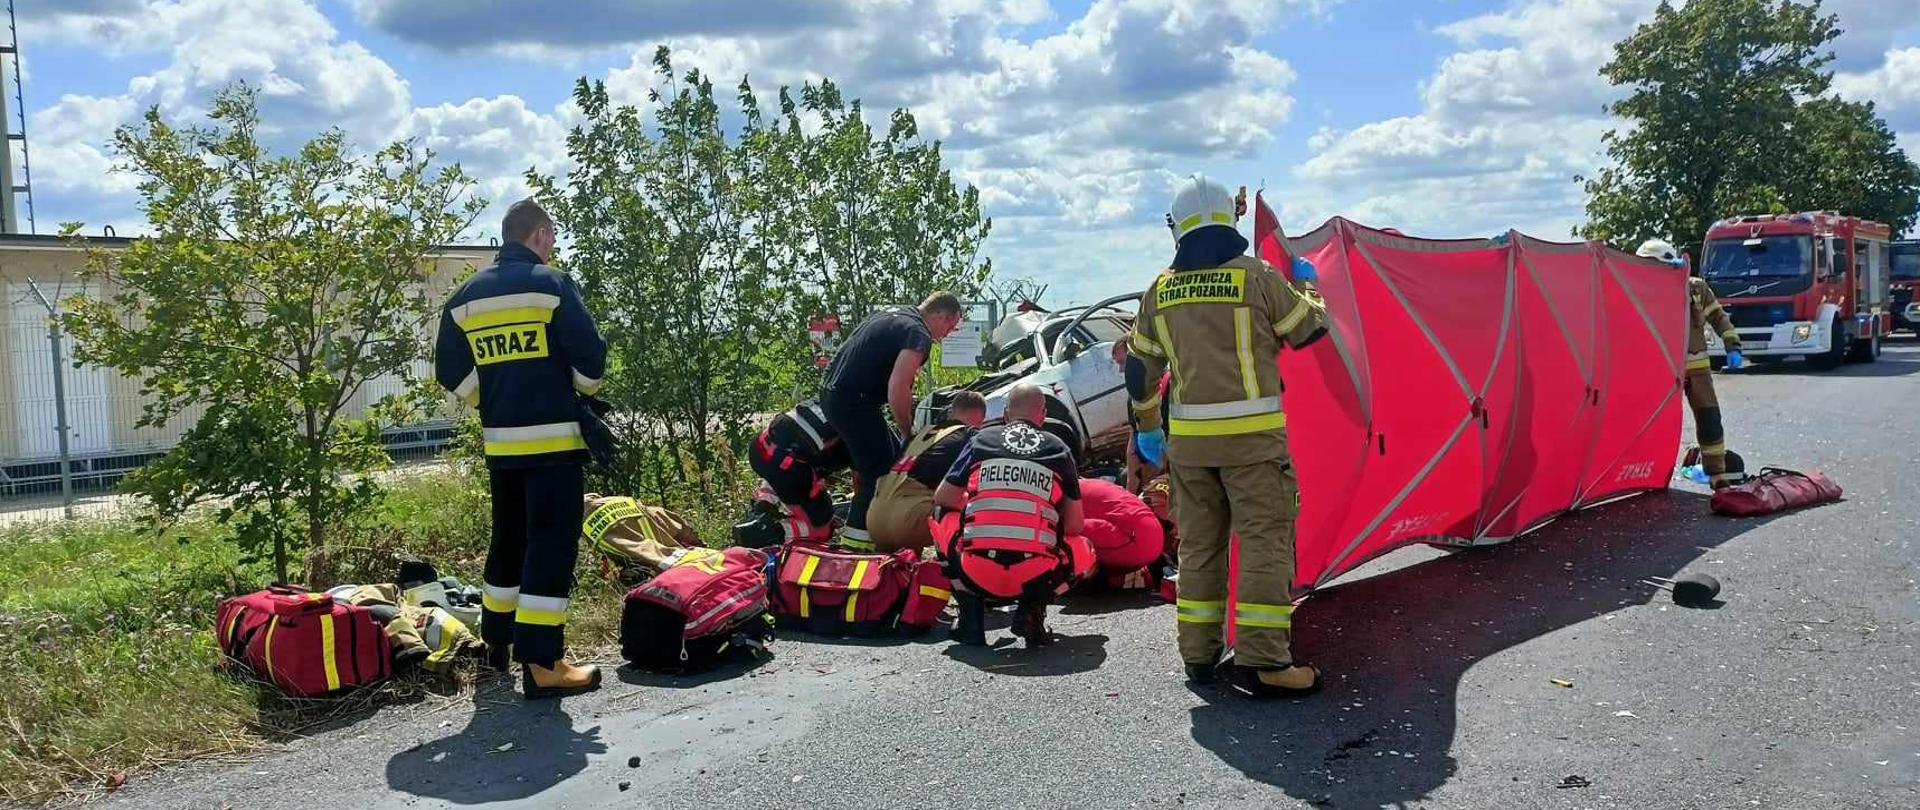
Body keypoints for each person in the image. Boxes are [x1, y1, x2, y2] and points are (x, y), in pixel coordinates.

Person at [1127, 174, 1328, 698]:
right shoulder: (1257, 277)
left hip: (1190, 449)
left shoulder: (1160, 289)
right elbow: (1307, 329)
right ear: (1227, 218)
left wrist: (1149, 430)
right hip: (1254, 446)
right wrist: (1308, 281)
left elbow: (1138, 372)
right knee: (1263, 543)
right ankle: (1264, 662)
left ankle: (1198, 656)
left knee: (1199, 549)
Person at [435, 199, 607, 699]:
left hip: (502, 446)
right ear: (539, 235)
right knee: (551, 544)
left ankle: (497, 643)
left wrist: (490, 399)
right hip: (554, 443)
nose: (552, 247)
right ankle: (543, 662)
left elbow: (448, 367)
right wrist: (575, 388)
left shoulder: (466, 296)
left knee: (508, 539)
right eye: (551, 238)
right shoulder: (552, 285)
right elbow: (591, 359)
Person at [932, 383, 1091, 647]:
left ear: (1006, 414)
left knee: (939, 514)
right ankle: (1032, 609)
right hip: (1036, 575)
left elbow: (943, 497)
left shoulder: (980, 440)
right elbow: (1074, 525)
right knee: (1085, 548)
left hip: (976, 570)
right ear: (1042, 414)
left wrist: (981, 508)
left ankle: (971, 619)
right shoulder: (1058, 449)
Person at [822, 293, 966, 551]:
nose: (947, 334)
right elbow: (898, 387)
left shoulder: (894, 313)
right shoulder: (917, 333)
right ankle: (857, 548)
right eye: (950, 326)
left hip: (835, 395)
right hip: (855, 403)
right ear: (941, 315)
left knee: (893, 462)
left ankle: (876, 536)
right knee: (878, 474)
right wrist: (907, 429)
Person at [1638, 238, 1744, 489]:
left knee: (1709, 418)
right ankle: (1648, 473)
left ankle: (1717, 475)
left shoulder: (1694, 288)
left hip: (1695, 368)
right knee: (1656, 423)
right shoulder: (1638, 291)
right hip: (1660, 371)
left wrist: (1733, 346)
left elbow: (1719, 317)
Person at [867, 391, 988, 553]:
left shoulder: (924, 434)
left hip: (875, 519)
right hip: (910, 523)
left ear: (951, 412)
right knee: (973, 502)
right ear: (982, 420)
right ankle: (960, 569)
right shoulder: (970, 437)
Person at [740, 400, 851, 547]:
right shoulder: (861, 432)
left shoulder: (835, 394)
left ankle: (761, 508)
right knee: (822, 525)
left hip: (760, 449)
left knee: (782, 469)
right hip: (788, 466)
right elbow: (863, 486)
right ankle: (770, 534)